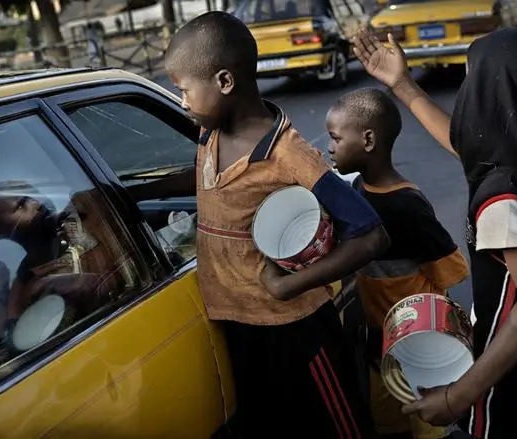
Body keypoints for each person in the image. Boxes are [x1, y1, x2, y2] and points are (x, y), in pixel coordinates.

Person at [129, 11, 390, 439]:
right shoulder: (208, 133)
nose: (182, 102)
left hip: (295, 329)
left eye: (184, 90)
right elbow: (202, 178)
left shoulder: (289, 154)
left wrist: (290, 285)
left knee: (331, 424)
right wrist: (133, 194)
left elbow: (371, 233)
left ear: (224, 82)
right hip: (237, 321)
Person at [351, 27, 517, 439]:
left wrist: (457, 396)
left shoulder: (503, 197)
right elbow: (468, 145)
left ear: (493, 96)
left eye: (473, 81)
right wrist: (402, 84)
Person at [326, 88, 470, 439]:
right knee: (388, 423)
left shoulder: (408, 205)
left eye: (335, 138)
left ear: (368, 139)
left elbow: (449, 271)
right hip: (376, 340)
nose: (330, 147)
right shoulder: (355, 190)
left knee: (427, 426)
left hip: (417, 344)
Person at [0, 182, 139, 348]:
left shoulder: (87, 209)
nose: (38, 203)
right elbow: (14, 338)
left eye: (33, 193)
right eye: (22, 204)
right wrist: (2, 291)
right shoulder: (25, 284)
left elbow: (144, 197)